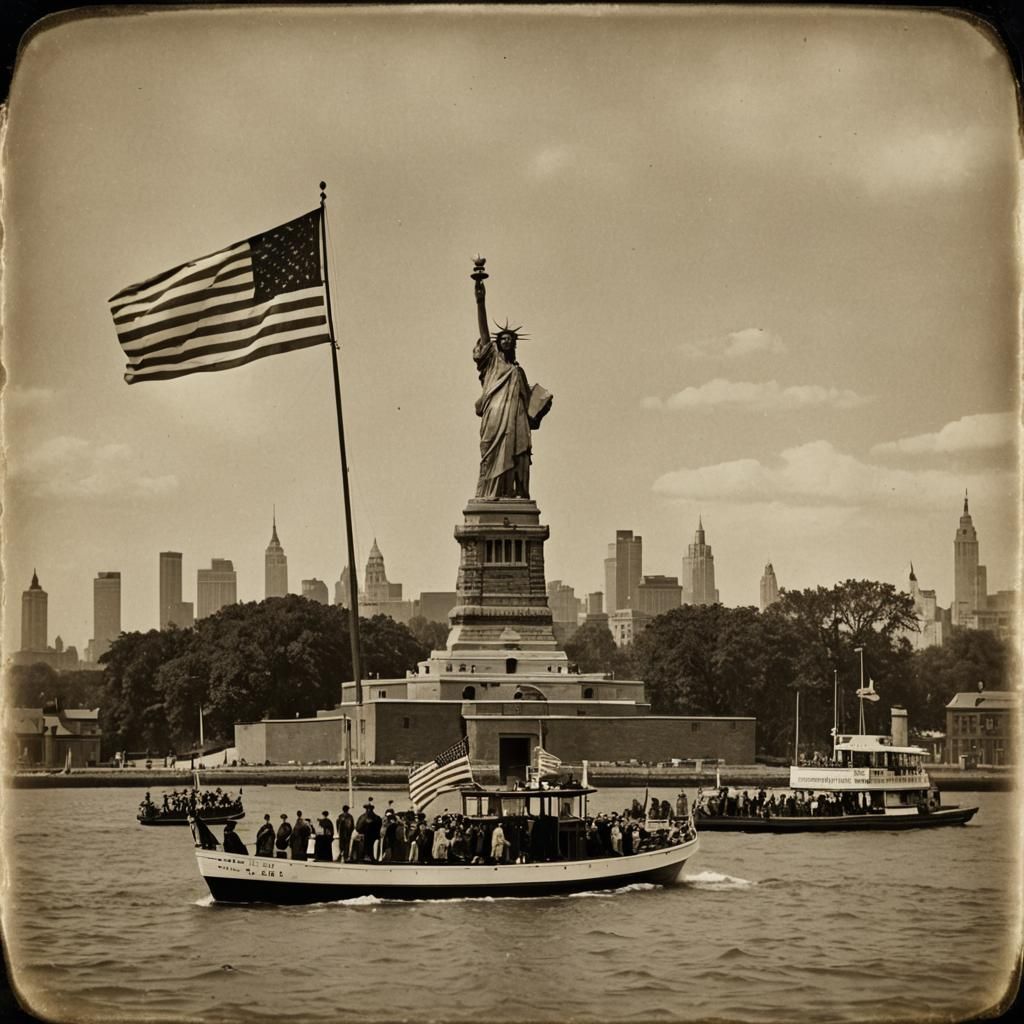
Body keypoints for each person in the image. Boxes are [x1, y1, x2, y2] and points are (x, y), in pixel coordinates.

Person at [470, 259, 551, 499]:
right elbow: (483, 332)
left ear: (514, 345)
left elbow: (530, 405)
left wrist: (542, 404)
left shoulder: (518, 371)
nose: (506, 341)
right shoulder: (492, 362)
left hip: (516, 422)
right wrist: (480, 300)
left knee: (519, 457)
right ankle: (491, 495)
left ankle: (515, 494)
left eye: (510, 340)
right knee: (492, 456)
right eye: (502, 339)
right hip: (495, 418)